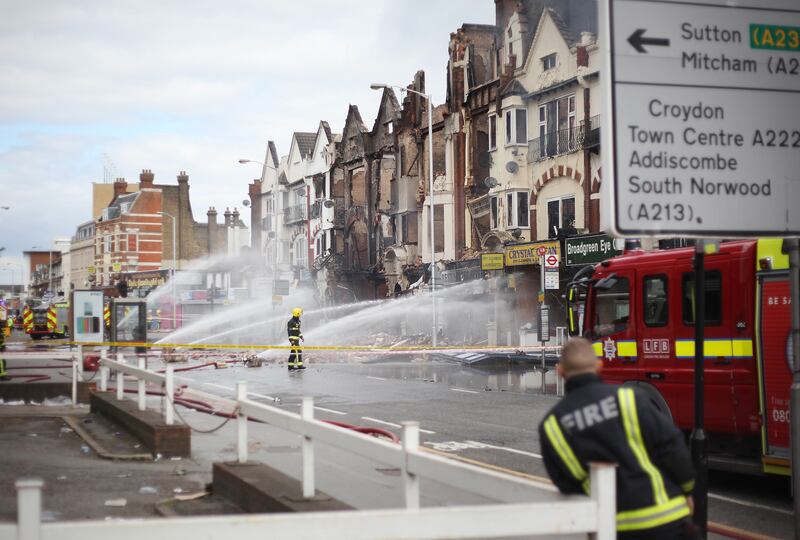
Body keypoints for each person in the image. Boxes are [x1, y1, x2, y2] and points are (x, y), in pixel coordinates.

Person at [539, 337, 697, 539]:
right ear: (599, 365)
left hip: (614, 527)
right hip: (669, 519)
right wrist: (687, 489)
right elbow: (671, 447)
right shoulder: (630, 398)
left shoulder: (553, 425)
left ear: (560, 371)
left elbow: (566, 482)